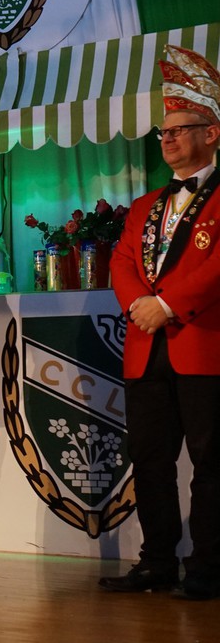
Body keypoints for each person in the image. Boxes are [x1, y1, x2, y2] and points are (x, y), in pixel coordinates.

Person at [101, 45, 220, 601]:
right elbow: (122, 261)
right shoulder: (146, 204)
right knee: (149, 459)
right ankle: (157, 561)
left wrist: (167, 305)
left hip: (204, 345)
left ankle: (209, 566)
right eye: (163, 132)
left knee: (211, 462)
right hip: (145, 348)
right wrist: (138, 306)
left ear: (211, 134)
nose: (167, 139)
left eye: (179, 130)